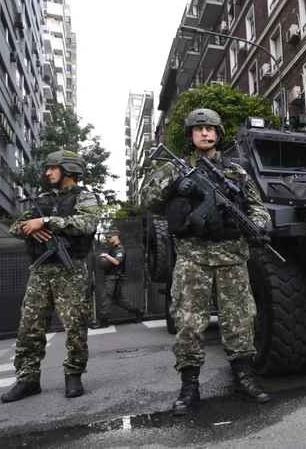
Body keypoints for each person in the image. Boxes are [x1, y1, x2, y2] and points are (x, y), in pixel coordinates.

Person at [141, 108, 272, 416]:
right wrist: (174, 186)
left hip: (231, 257)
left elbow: (257, 207)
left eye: (209, 128)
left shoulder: (236, 171)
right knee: (188, 324)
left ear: (218, 134)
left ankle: (243, 379)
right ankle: (189, 387)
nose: (204, 133)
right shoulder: (172, 169)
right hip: (192, 258)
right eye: (198, 129)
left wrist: (256, 227)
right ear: (191, 135)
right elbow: (147, 200)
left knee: (239, 321)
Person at [1, 150, 101, 402]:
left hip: (71, 272)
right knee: (30, 327)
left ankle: (74, 375)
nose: (48, 173)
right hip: (40, 271)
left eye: (53, 168)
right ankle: (27, 379)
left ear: (68, 170)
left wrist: (46, 221)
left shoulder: (85, 197)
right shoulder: (41, 199)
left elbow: (87, 223)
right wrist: (30, 228)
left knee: (76, 326)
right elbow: (15, 226)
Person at [92, 229, 144, 328]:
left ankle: (103, 321)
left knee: (107, 297)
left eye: (110, 237)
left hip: (115, 277)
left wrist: (106, 256)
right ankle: (139, 312)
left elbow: (116, 262)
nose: (108, 239)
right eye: (108, 237)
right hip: (113, 277)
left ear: (116, 236)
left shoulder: (120, 249)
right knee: (118, 299)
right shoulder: (114, 248)